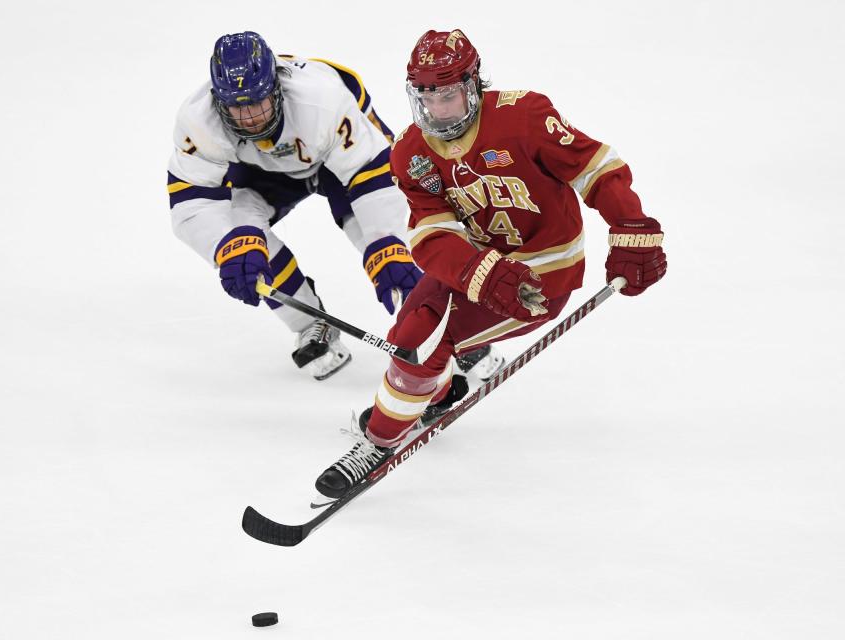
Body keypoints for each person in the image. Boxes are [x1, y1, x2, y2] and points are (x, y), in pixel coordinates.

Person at [315, 29, 667, 497]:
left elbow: (595, 167)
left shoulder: (523, 117)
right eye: (426, 97)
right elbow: (431, 233)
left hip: (540, 278)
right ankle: (433, 395)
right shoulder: (410, 153)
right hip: (477, 268)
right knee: (411, 331)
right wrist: (481, 273)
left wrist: (631, 225)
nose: (438, 110)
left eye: (449, 95)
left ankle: (379, 441)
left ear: (473, 84)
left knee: (419, 342)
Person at [166, 31, 424, 380]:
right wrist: (225, 246)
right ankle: (310, 323)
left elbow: (375, 174)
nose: (249, 118)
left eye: (256, 102)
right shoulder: (198, 120)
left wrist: (389, 241)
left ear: (277, 87)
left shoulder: (323, 101)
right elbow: (189, 201)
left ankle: (436, 319)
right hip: (261, 171)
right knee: (243, 235)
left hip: (339, 160)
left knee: (382, 240)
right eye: (236, 106)